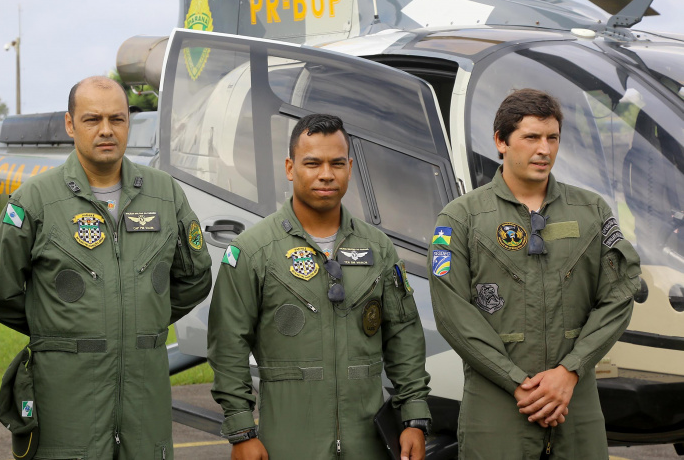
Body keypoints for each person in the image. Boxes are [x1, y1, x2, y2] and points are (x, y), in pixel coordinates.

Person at [0, 75, 213, 459]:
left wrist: (135, 317)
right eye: (92, 119)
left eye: (116, 119)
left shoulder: (165, 194)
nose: (106, 130)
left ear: (129, 123)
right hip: (66, 405)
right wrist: (60, 327)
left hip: (145, 407)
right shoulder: (36, 199)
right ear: (70, 124)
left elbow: (194, 278)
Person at [428, 89, 640, 459]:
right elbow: (452, 312)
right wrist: (517, 382)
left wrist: (569, 371)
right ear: (501, 141)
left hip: (574, 398)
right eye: (531, 137)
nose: (544, 150)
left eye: (552, 138)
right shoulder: (461, 218)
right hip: (497, 399)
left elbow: (620, 294)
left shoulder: (591, 211)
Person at [208, 113, 432, 460]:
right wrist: (241, 432)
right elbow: (228, 345)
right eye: (312, 163)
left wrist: (413, 417)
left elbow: (404, 337)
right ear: (290, 167)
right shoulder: (254, 251)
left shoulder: (379, 248)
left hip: (367, 445)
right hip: (288, 445)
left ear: (350, 168)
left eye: (337, 163)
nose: (326, 174)